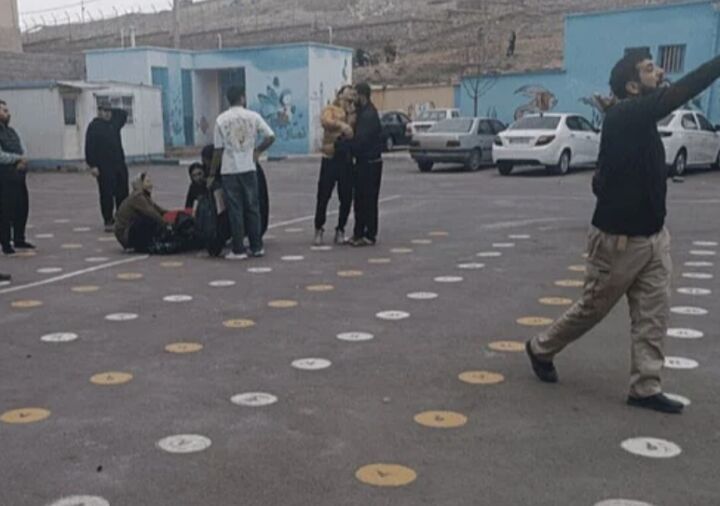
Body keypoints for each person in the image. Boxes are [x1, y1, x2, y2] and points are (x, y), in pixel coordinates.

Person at [526, 48, 720, 415]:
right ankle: (541, 347)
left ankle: (645, 387)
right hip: (618, 241)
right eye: (649, 69)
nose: (659, 73)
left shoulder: (634, 118)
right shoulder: (627, 114)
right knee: (592, 308)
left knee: (653, 313)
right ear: (632, 86)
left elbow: (603, 178)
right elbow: (682, 91)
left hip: (653, 237)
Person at [208, 85, 275, 260]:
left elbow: (218, 150)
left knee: (235, 209)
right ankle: (256, 246)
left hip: (229, 170)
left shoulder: (221, 120)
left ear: (228, 99)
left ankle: (238, 249)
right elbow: (270, 136)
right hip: (249, 168)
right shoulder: (253, 116)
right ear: (242, 98)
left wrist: (212, 173)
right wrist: (258, 151)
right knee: (253, 208)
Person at [313, 85, 357, 245]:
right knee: (323, 195)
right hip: (330, 157)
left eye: (351, 99)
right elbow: (326, 121)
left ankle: (341, 228)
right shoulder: (331, 110)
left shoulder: (353, 113)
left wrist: (351, 115)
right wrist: (341, 125)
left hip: (346, 159)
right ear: (339, 96)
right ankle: (319, 227)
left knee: (346, 197)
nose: (348, 101)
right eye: (346, 98)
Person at [345, 82, 383, 247]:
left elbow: (361, 141)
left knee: (368, 200)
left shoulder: (369, 115)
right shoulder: (361, 113)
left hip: (370, 163)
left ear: (362, 96)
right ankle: (358, 233)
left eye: (355, 95)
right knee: (359, 199)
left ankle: (369, 234)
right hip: (362, 163)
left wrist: (347, 143)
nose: (353, 99)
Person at [85, 104, 130, 232]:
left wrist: (112, 109)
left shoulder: (114, 124)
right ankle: (108, 220)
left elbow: (123, 114)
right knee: (107, 194)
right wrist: (92, 165)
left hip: (119, 164)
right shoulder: (94, 126)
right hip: (104, 166)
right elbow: (89, 146)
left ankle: (121, 218)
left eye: (109, 111)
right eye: (104, 111)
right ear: (99, 112)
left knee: (123, 192)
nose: (108, 113)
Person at [0, 99, 34, 256]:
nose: (8, 114)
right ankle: (6, 243)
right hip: (4, 177)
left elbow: (22, 147)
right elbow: (1, 156)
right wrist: (18, 159)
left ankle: (19, 238)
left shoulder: (12, 131)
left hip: (18, 176)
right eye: (4, 111)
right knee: (5, 211)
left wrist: (23, 159)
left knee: (21, 207)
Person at [114, 172, 169, 253]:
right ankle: (140, 245)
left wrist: (173, 215)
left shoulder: (144, 196)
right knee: (149, 220)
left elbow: (159, 210)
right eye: (147, 182)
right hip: (125, 234)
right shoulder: (137, 197)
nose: (151, 185)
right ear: (140, 184)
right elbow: (152, 213)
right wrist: (166, 224)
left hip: (127, 232)